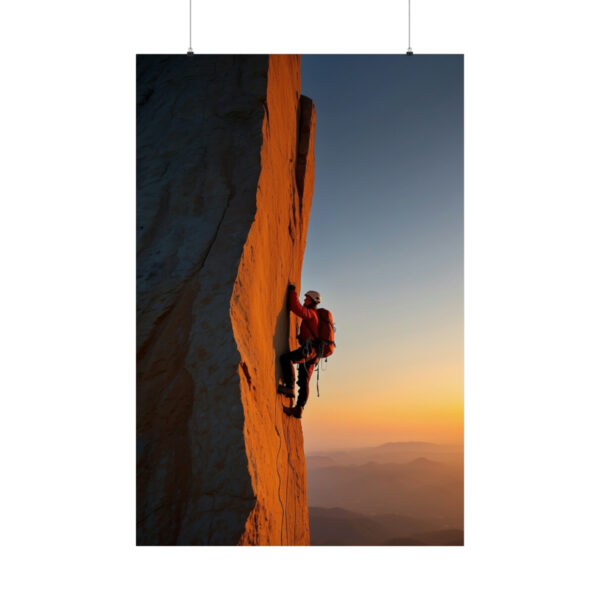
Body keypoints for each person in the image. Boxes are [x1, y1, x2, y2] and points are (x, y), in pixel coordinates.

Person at [278, 284, 322, 418]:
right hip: (313, 354)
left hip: (309, 350)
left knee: (286, 359)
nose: (305, 300)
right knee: (304, 381)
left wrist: (292, 292)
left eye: (307, 298)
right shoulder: (315, 316)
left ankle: (289, 387)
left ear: (313, 301)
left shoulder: (311, 314)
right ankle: (299, 409)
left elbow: (296, 308)